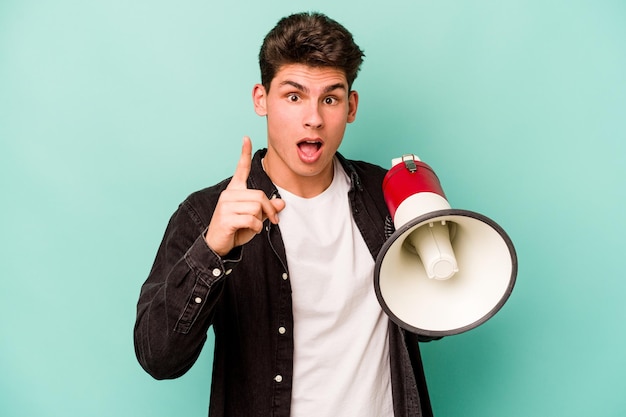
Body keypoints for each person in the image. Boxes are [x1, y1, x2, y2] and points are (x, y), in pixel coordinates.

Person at [134, 11, 435, 417]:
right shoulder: (207, 213)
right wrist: (212, 251)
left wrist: (430, 230)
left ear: (351, 106)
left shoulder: (386, 195)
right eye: (294, 96)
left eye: (330, 98)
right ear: (262, 99)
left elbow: (429, 328)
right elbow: (159, 358)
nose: (314, 118)